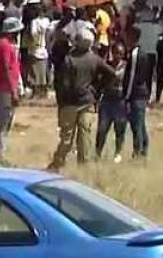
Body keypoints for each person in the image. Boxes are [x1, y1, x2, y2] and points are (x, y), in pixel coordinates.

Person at [48, 27, 115, 171]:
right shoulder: (94, 59)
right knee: (85, 137)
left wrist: (61, 103)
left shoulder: (68, 60)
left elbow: (63, 85)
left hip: (69, 104)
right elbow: (111, 74)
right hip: (87, 102)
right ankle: (84, 167)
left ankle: (57, 164)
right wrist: (97, 89)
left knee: (67, 138)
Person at [0, 16, 23, 166]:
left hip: (6, 87)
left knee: (5, 123)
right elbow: (6, 69)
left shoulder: (4, 44)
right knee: (2, 123)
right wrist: (13, 91)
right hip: (5, 89)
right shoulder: (4, 46)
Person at [96, 42, 128, 163]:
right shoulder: (106, 66)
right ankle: (98, 152)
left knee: (119, 128)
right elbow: (100, 83)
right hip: (107, 101)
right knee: (102, 129)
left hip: (120, 101)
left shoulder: (126, 66)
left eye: (120, 53)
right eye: (115, 53)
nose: (117, 56)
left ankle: (118, 152)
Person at [123, 26, 153, 159]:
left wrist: (126, 96)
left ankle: (138, 151)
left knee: (137, 124)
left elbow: (132, 77)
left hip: (136, 94)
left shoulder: (136, 54)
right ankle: (144, 148)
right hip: (141, 93)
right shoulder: (141, 52)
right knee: (140, 122)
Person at [29, 3, 51, 99]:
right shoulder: (35, 21)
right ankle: (38, 91)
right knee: (37, 71)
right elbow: (34, 34)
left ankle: (43, 91)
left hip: (43, 48)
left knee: (43, 71)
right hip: (37, 48)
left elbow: (48, 33)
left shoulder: (45, 21)